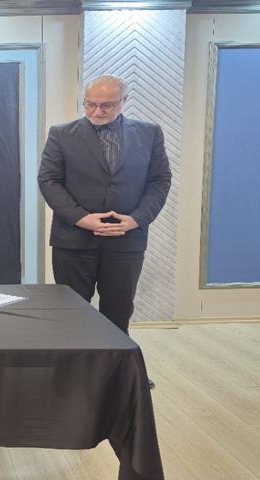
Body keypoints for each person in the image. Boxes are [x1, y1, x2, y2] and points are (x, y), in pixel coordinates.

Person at [38, 75, 171, 351]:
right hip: (73, 240)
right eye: (90, 104)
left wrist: (136, 219)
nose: (96, 111)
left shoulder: (149, 133)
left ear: (124, 101)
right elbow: (49, 181)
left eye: (106, 105)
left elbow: (160, 180)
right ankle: (74, 368)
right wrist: (81, 218)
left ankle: (117, 370)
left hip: (126, 239)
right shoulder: (61, 134)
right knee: (72, 313)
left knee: (118, 311)